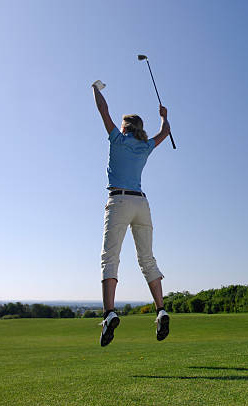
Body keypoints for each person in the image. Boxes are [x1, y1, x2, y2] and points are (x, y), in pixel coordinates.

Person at [91, 81, 171, 346]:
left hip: (119, 201)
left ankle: (109, 314)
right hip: (142, 205)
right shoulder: (145, 146)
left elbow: (104, 111)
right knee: (147, 259)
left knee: (109, 258)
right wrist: (164, 118)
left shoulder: (117, 139)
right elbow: (165, 132)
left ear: (124, 128)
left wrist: (95, 89)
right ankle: (161, 309)